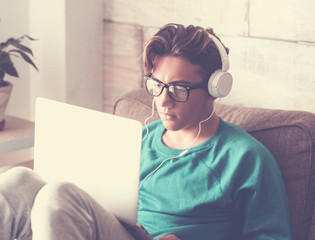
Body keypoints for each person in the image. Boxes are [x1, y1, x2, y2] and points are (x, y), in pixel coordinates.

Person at [0, 23, 292, 240]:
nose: (163, 100)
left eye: (178, 89)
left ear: (216, 88)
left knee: (58, 195)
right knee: (19, 179)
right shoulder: (140, 138)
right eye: (157, 85)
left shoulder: (245, 157)